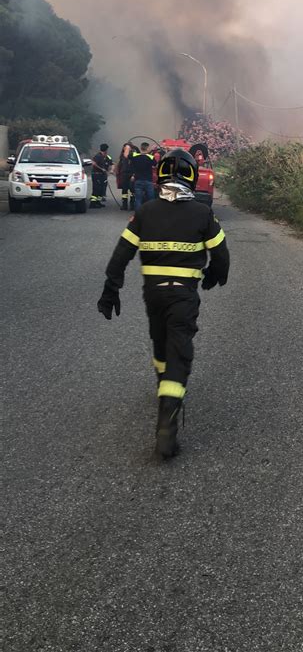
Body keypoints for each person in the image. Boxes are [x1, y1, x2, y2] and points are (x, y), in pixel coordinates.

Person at [97, 148, 230, 459]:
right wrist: (214, 275)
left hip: (153, 294)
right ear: (192, 175)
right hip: (183, 295)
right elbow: (221, 254)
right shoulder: (202, 214)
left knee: (160, 343)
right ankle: (167, 424)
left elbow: (121, 254)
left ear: (160, 175)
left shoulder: (145, 213)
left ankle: (163, 379)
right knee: (179, 351)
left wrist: (110, 290)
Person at [130, 142, 156, 210]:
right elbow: (155, 164)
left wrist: (127, 146)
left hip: (138, 180)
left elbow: (126, 155)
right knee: (151, 199)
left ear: (141, 148)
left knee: (138, 199)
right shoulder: (151, 157)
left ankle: (138, 215)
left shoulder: (135, 156)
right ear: (147, 148)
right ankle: (150, 214)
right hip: (148, 181)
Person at [90, 143, 113, 208]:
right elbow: (93, 163)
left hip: (102, 175)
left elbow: (111, 163)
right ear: (106, 150)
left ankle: (98, 202)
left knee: (101, 189)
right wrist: (101, 169)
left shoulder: (106, 157)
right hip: (96, 174)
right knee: (96, 189)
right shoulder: (98, 156)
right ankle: (92, 203)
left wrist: (111, 170)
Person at [116, 143, 136, 211]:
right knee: (124, 190)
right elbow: (119, 164)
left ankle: (132, 205)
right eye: (125, 147)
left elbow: (137, 166)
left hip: (131, 174)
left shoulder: (134, 154)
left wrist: (134, 175)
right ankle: (124, 205)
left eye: (127, 148)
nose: (125, 149)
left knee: (132, 190)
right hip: (124, 174)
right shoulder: (122, 155)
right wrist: (117, 172)